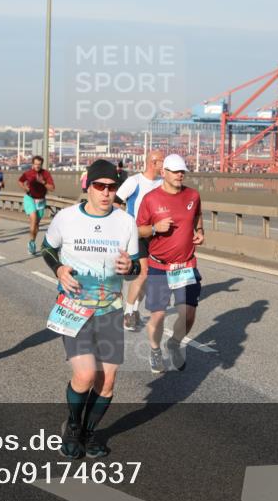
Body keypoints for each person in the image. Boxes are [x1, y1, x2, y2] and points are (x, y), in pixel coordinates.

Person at [42, 159, 138, 459]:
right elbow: (47, 248)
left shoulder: (126, 222)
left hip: (110, 309)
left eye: (111, 187)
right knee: (85, 376)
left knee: (106, 381)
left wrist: (130, 266)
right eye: (100, 186)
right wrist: (58, 270)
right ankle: (72, 426)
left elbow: (135, 268)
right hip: (74, 308)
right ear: (89, 186)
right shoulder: (66, 218)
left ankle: (90, 431)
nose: (106, 192)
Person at [136, 154, 204, 374]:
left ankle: (174, 343)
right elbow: (138, 230)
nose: (180, 175)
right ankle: (155, 350)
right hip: (159, 266)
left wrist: (200, 231)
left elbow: (197, 216)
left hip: (185, 265)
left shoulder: (193, 195)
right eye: (175, 171)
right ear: (163, 172)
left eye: (182, 171)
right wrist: (155, 228)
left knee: (189, 314)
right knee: (158, 316)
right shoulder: (151, 199)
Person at [116, 150, 164, 331]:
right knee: (143, 273)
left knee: (149, 277)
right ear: (153, 162)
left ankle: (135, 309)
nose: (164, 165)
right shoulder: (134, 181)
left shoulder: (162, 183)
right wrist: (122, 224)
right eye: (162, 162)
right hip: (137, 234)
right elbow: (116, 201)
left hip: (156, 235)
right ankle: (127, 314)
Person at [18, 155, 55, 255]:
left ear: (41, 164)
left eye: (39, 164)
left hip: (41, 200)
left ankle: (32, 241)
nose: (37, 166)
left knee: (36, 224)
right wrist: (25, 188)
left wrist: (43, 182)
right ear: (32, 164)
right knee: (33, 219)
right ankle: (31, 242)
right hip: (29, 198)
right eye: (35, 164)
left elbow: (52, 188)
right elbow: (20, 181)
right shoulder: (28, 173)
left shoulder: (45, 174)